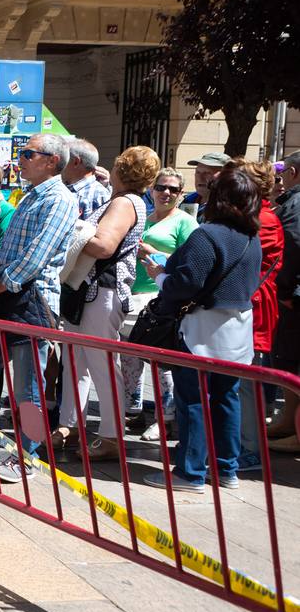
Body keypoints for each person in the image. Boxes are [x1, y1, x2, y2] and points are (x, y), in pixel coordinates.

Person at [143, 167, 262, 493]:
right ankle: (226, 469)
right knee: (226, 398)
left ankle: (191, 472)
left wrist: (159, 276)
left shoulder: (207, 235)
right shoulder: (252, 238)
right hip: (237, 330)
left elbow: (185, 284)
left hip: (201, 329)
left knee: (193, 400)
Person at [0, 133, 79, 484]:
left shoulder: (60, 199)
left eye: (29, 153)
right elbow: (6, 249)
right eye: (22, 152)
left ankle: (28, 456)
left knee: (28, 387)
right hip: (7, 297)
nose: (21, 158)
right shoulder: (31, 196)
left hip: (33, 301)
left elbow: (36, 255)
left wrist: (3, 283)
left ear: (51, 161)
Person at [58, 147, 157, 462]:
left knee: (99, 362)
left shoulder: (123, 203)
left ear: (120, 170)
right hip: (95, 292)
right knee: (78, 361)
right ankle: (70, 425)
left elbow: (103, 245)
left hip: (102, 291)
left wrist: (69, 228)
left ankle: (111, 436)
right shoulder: (128, 202)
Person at [120, 168, 195, 443]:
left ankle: (166, 418)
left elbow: (192, 263)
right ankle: (133, 409)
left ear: (180, 194)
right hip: (133, 296)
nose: (166, 193)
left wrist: (155, 254)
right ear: (152, 189)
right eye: (161, 187)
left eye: (173, 190)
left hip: (162, 300)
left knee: (160, 363)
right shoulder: (144, 218)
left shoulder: (185, 223)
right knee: (129, 358)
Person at [229, 159, 283, 474]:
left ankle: (250, 449)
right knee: (238, 381)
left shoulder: (264, 220)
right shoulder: (250, 216)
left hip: (255, 310)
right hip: (244, 307)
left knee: (247, 383)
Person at [269, 152, 300, 452]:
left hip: (295, 297)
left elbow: (291, 243)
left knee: (292, 359)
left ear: (292, 172)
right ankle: (288, 420)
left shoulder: (295, 204)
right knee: (289, 358)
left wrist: (286, 291)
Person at [63, 138, 110, 221]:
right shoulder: (63, 188)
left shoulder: (99, 194)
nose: (61, 162)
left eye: (64, 158)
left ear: (76, 162)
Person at [182, 152, 228, 222]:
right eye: (198, 172)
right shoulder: (189, 200)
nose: (200, 178)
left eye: (207, 173)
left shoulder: (228, 207)